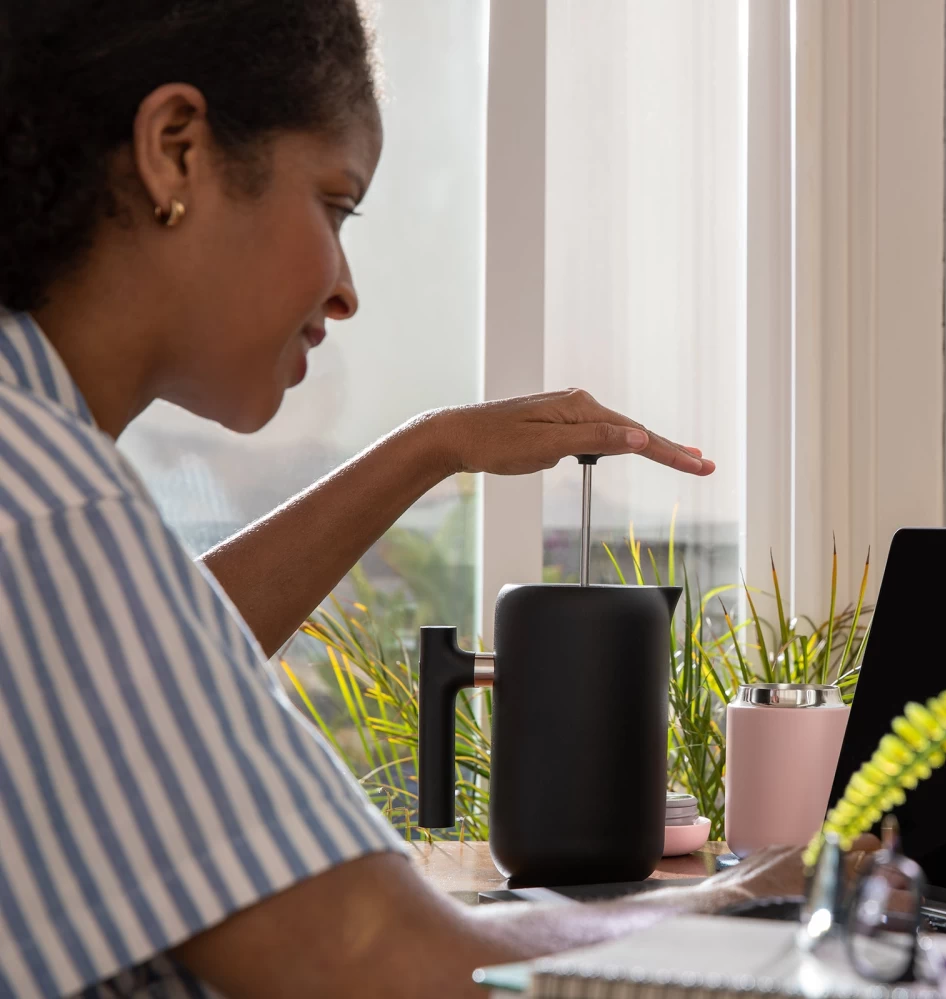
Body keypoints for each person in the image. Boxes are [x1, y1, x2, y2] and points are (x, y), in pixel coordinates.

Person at [0, 2, 805, 996]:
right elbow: (389, 963)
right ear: (176, 151)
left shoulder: (39, 490)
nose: (345, 292)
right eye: (335, 206)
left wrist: (431, 447)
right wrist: (750, 899)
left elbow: (136, 654)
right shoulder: (47, 509)